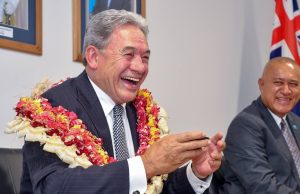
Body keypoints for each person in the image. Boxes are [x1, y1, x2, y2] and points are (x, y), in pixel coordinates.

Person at [19, 9, 224, 194]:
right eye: (128, 54)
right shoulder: (52, 108)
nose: (140, 67)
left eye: (145, 58)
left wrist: (195, 173)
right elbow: (51, 187)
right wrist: (145, 165)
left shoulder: (144, 113)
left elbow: (153, 186)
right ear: (93, 57)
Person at [220, 57, 300, 194]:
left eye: (293, 84)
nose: (286, 91)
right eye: (278, 82)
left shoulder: (295, 121)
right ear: (261, 85)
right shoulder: (245, 125)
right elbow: (262, 186)